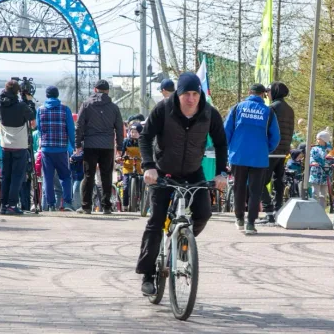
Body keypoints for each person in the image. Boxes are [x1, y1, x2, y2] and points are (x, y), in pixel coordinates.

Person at [136, 72, 228, 295]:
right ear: (178, 94)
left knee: (204, 213)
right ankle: (148, 274)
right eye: (186, 93)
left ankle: (182, 243)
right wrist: (148, 166)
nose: (191, 98)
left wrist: (221, 173)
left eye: (195, 93)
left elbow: (221, 144)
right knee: (156, 221)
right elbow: (145, 137)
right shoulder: (163, 109)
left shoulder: (209, 113)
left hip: (192, 171)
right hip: (162, 172)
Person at [223, 84, 280, 235]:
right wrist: (265, 149)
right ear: (263, 95)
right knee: (255, 191)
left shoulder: (237, 108)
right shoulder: (268, 112)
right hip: (259, 157)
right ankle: (250, 223)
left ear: (249, 93)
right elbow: (275, 137)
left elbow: (226, 131)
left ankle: (239, 219)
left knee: (239, 188)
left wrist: (230, 150)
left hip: (238, 155)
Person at [75, 80, 124, 215]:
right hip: (107, 146)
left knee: (89, 175)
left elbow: (79, 126)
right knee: (106, 176)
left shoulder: (86, 105)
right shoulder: (114, 108)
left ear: (95, 89)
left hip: (90, 145)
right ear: (107, 91)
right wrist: (120, 146)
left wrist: (77, 144)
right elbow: (119, 128)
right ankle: (106, 206)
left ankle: (86, 206)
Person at [0, 80, 36, 215]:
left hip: (5, 145)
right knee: (17, 176)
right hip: (19, 145)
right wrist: (28, 101)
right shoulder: (21, 106)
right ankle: (12, 204)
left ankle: (3, 205)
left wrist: (6, 92)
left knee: (6, 175)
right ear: (17, 92)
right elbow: (31, 115)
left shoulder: (1, 105)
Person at [36, 86, 76, 212]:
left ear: (47, 95)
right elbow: (70, 129)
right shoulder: (65, 109)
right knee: (65, 176)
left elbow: (39, 129)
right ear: (57, 95)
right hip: (61, 148)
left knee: (47, 177)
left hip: (46, 149)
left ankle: (51, 204)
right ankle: (67, 202)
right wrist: (73, 146)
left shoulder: (40, 110)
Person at [260, 82, 294, 223]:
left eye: (268, 91)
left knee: (259, 182)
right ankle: (277, 210)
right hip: (283, 151)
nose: (267, 94)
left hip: (271, 150)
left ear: (274, 92)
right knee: (278, 181)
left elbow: (266, 129)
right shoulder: (289, 109)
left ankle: (268, 212)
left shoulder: (272, 108)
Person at [118, 123, 143, 211]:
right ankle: (125, 206)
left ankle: (141, 203)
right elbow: (121, 153)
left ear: (140, 133)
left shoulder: (143, 142)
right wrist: (119, 157)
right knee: (125, 186)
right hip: (127, 167)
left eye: (136, 132)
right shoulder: (126, 141)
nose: (133, 134)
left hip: (139, 167)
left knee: (142, 185)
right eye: (132, 132)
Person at [309, 131, 332, 209]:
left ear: (324, 140)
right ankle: (313, 209)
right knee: (315, 193)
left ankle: (322, 210)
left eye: (319, 139)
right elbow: (311, 156)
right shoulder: (314, 148)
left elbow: (333, 157)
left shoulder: (330, 149)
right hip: (316, 173)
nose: (317, 140)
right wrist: (313, 162)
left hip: (326, 173)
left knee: (324, 194)